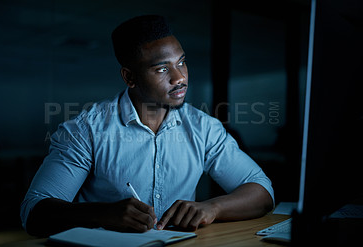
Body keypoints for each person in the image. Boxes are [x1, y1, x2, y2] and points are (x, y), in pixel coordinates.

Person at [20, 15, 274, 237]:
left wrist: (213, 207)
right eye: (163, 68)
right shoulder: (85, 130)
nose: (180, 77)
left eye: (181, 62)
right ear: (130, 77)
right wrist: (102, 213)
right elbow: (34, 212)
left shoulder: (204, 127)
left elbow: (263, 192)